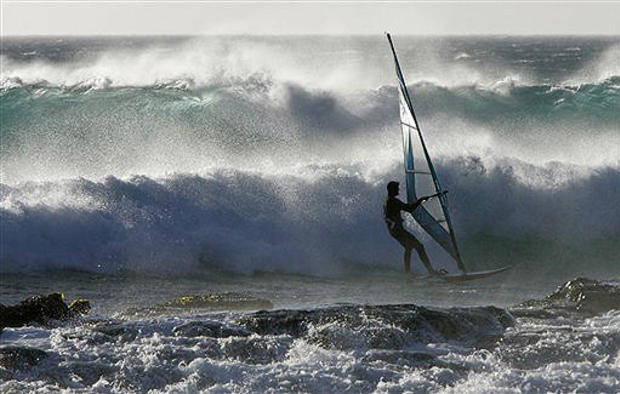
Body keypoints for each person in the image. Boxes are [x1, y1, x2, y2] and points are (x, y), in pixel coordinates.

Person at [383, 181, 445, 276]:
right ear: (392, 190)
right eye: (397, 188)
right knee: (419, 247)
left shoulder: (387, 200)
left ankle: (408, 273)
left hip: (394, 231)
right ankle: (430, 271)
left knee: (409, 247)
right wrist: (420, 200)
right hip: (398, 231)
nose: (398, 190)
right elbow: (409, 209)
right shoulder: (394, 201)